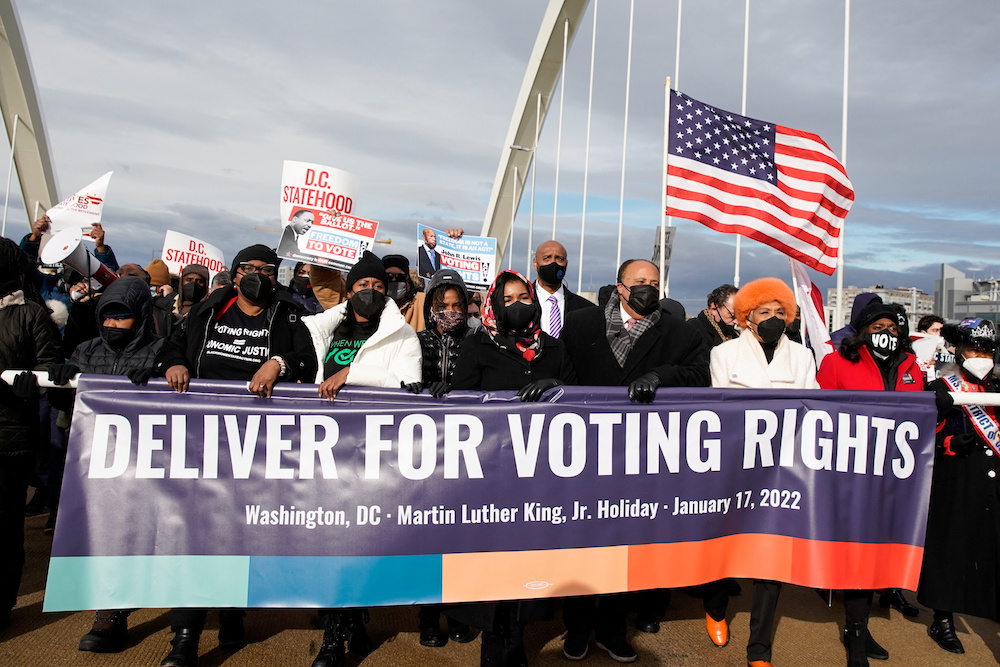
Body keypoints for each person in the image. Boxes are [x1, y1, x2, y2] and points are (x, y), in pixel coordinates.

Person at [152, 244, 315, 667]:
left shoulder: (290, 314)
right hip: (203, 439)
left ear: (275, 276)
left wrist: (277, 363)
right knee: (197, 534)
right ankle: (185, 636)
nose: (256, 275)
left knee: (241, 533)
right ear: (235, 272)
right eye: (249, 268)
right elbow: (170, 345)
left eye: (265, 269)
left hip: (259, 444)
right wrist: (174, 363)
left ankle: (232, 609)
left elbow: (309, 361)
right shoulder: (208, 310)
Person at [559, 258, 709, 663]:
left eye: (655, 283)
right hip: (584, 455)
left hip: (640, 459)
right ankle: (576, 628)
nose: (648, 288)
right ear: (621, 287)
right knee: (580, 546)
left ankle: (611, 629)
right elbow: (563, 376)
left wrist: (663, 375)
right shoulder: (579, 325)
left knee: (625, 549)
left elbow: (700, 375)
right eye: (640, 282)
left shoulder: (679, 331)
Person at [450, 269, 576, 667]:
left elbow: (578, 396)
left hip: (538, 478)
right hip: (489, 476)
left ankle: (517, 637)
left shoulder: (553, 348)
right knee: (490, 563)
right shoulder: (478, 346)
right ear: (494, 307)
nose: (520, 305)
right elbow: (460, 401)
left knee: (529, 562)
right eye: (510, 300)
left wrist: (555, 385)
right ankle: (492, 641)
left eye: (525, 298)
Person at [301, 250, 421, 667]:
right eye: (361, 287)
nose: (369, 292)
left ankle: (339, 633)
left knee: (355, 542)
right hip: (323, 450)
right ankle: (349, 623)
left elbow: (409, 384)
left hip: (372, 452)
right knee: (328, 540)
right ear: (347, 292)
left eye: (376, 286)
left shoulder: (403, 335)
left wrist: (352, 374)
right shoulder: (321, 330)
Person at [45, 276, 164, 652]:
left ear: (141, 316)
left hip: (138, 463)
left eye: (122, 317)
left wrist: (160, 379)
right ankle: (108, 609)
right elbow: (69, 407)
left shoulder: (162, 351)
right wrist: (59, 385)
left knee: (130, 535)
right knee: (99, 536)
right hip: (92, 464)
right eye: (107, 317)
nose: (113, 325)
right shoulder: (84, 350)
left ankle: (111, 614)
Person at [704, 277, 818, 667]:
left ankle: (760, 648)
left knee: (772, 557)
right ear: (746, 317)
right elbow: (722, 414)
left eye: (779, 312)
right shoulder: (725, 354)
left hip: (782, 470)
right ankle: (716, 607)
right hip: (735, 466)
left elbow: (812, 410)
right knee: (726, 543)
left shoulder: (803, 357)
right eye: (764, 312)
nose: (772, 318)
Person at [817, 300, 924, 667]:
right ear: (863, 329)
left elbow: (922, 427)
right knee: (858, 556)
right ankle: (857, 634)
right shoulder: (836, 362)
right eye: (879, 327)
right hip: (852, 476)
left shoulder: (911, 368)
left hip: (896, 477)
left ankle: (856, 628)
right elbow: (820, 419)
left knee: (881, 554)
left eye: (894, 329)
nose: (887, 335)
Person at [919, 318, 1000, 655]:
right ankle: (943, 617)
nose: (980, 355)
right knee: (950, 547)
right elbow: (921, 438)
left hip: (993, 481)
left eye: (986, 350)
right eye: (973, 348)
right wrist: (950, 442)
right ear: (958, 349)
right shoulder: (940, 386)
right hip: (955, 479)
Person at [405, 268, 475, 647]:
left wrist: (461, 390)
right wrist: (410, 387)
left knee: (462, 538)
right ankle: (428, 615)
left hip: (465, 454)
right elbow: (392, 377)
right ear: (430, 307)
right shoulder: (412, 342)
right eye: (442, 305)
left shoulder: (480, 343)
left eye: (456, 305)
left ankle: (459, 611)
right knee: (427, 539)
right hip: (424, 456)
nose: (450, 311)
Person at [0, 238, 59, 631]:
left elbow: (50, 368)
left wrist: (34, 383)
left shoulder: (32, 315)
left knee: (5, 530)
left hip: (9, 438)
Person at [531, 240, 595, 338]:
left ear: (566, 264)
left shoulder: (585, 309)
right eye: (546, 258)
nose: (553, 263)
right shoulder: (520, 304)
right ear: (535, 263)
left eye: (559, 259)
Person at [382, 254, 426, 332]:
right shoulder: (373, 304)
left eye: (400, 277)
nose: (394, 280)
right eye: (389, 276)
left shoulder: (422, 301)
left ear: (407, 280)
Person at [687, 284, 739, 348]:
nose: (737, 322)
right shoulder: (693, 330)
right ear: (714, 309)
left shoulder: (734, 335)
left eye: (740, 316)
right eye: (732, 315)